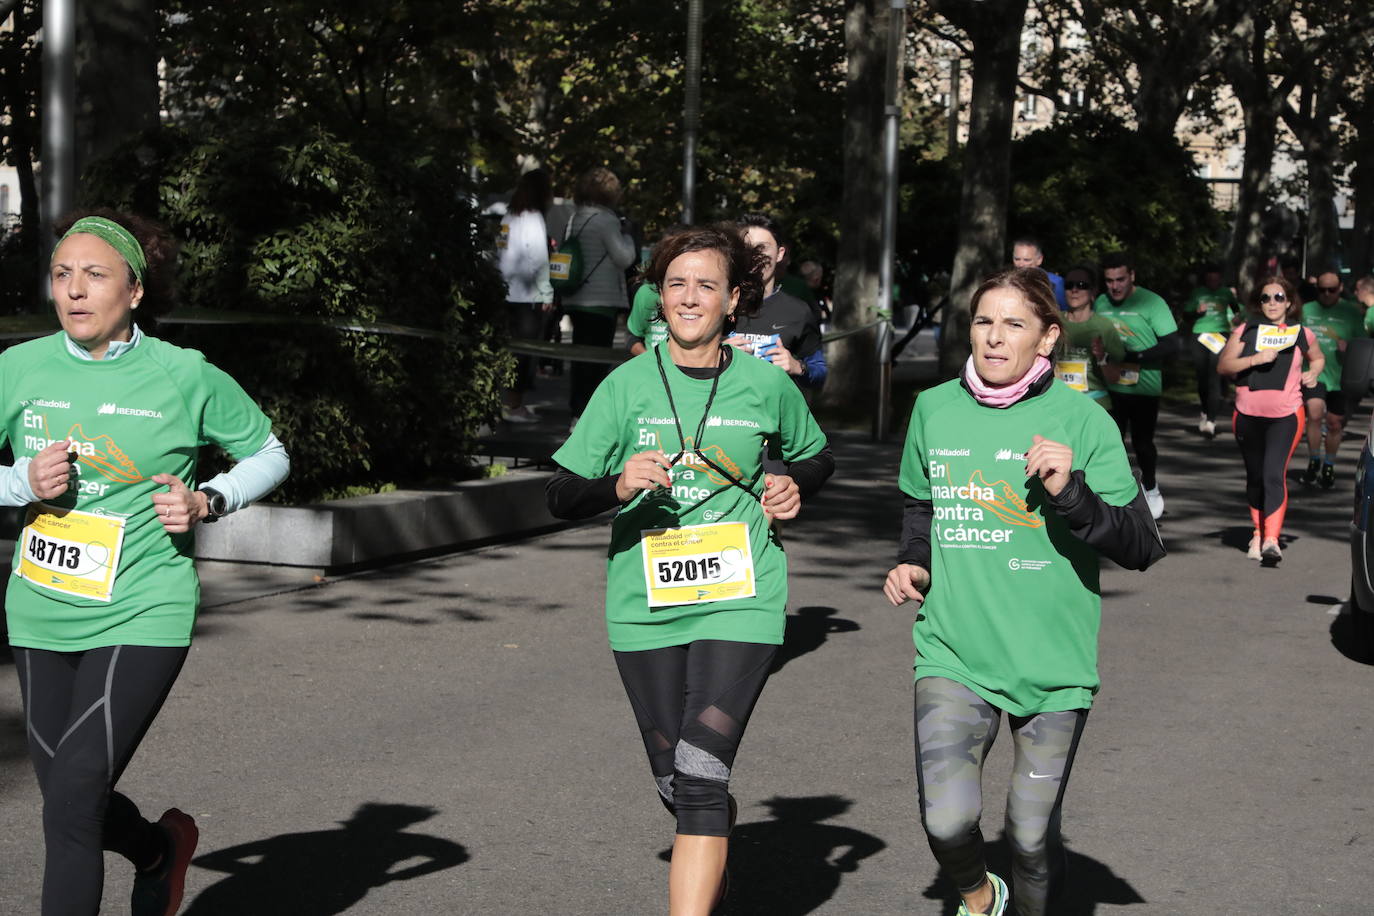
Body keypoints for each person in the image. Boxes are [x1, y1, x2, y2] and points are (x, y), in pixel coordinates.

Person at [5, 209, 290, 915]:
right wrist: (19, 484)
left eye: (94, 276)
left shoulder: (183, 375)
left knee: (70, 802)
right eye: (62, 274)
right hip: (41, 607)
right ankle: (158, 851)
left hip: (143, 605)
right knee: (71, 797)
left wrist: (208, 501)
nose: (74, 290)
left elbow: (270, 452)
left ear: (134, 291)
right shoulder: (17, 367)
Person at [545, 224, 833, 915]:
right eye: (676, 283)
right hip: (644, 600)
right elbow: (558, 495)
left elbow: (816, 457)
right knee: (677, 782)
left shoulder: (766, 383)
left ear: (734, 300)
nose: (689, 297)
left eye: (706, 284)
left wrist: (794, 487)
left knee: (701, 773)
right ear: (658, 298)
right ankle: (712, 833)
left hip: (743, 593)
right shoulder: (625, 386)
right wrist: (616, 486)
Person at [884, 267, 1162, 916]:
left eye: (1014, 324)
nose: (995, 337)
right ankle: (980, 897)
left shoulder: (1081, 421)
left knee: (1032, 837)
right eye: (984, 321)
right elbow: (920, 507)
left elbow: (1142, 546)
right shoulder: (933, 409)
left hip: (1052, 662)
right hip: (953, 650)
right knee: (949, 822)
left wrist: (1072, 494)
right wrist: (914, 564)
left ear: (1047, 338)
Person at [1216, 277, 1323, 562]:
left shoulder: (1302, 333)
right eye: (1266, 298)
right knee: (1255, 477)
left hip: (1286, 415)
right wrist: (1255, 359)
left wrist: (1313, 373)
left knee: (1273, 473)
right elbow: (1224, 366)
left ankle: (1271, 540)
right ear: (1258, 302)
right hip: (1247, 415)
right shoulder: (1246, 330)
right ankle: (1258, 532)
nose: (1272, 303)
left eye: (1278, 297)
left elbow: (1318, 357)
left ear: (1289, 302)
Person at [1094, 252, 1179, 519]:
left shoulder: (1151, 302)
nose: (1115, 286)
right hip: (1109, 387)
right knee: (1111, 444)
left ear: (1132, 276)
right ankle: (1115, 496)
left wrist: (1134, 356)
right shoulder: (1100, 302)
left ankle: (1151, 487)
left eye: (1120, 279)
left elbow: (1171, 343)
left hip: (1143, 387)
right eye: (1109, 281)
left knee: (1142, 444)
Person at [557, 166, 638, 427]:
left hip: (577, 297)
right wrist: (628, 237)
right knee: (597, 360)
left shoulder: (574, 218)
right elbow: (623, 257)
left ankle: (576, 412)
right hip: (601, 299)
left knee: (580, 360)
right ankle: (587, 416)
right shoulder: (607, 220)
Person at [728, 214, 826, 390]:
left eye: (762, 248)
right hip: (723, 414)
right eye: (747, 248)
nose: (754, 256)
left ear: (780, 254)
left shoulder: (798, 311)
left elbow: (820, 374)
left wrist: (797, 367)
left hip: (773, 415)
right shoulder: (718, 304)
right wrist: (714, 354)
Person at [1298, 270, 1366, 488]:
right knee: (1314, 414)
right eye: (1322, 290)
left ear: (1340, 289)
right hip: (1314, 374)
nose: (1326, 294)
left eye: (1331, 290)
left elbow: (1363, 344)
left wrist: (1349, 347)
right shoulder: (1306, 310)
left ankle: (1328, 465)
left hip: (1340, 377)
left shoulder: (1351, 312)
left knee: (1334, 424)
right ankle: (1314, 459)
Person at [497, 168, 554, 423]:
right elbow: (540, 258)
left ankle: (506, 403)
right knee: (523, 353)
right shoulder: (534, 218)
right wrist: (546, 292)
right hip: (527, 295)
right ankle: (515, 405)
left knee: (508, 351)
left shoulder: (509, 217)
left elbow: (499, 252)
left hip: (506, 291)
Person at [1183, 263, 1241, 438]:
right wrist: (1196, 311)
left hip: (1219, 335)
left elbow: (1236, 308)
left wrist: (1236, 319)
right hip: (1200, 336)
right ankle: (1205, 409)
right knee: (1202, 377)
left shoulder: (1226, 293)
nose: (1213, 283)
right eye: (1210, 280)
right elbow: (1186, 315)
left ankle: (1211, 421)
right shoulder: (1198, 293)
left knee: (1214, 375)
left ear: (1220, 280)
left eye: (1216, 280)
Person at [1055, 264, 1123, 409]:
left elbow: (1115, 378)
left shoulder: (1104, 327)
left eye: (1081, 285)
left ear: (1093, 292)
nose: (1074, 290)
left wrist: (1101, 358)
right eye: (1069, 285)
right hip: (1059, 404)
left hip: (1095, 406)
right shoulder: (1053, 323)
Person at [1011, 236, 1065, 308]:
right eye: (1017, 259)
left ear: (1039, 260)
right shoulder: (1007, 281)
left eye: (1027, 260)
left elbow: (1066, 314)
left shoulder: (1055, 283)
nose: (1021, 264)